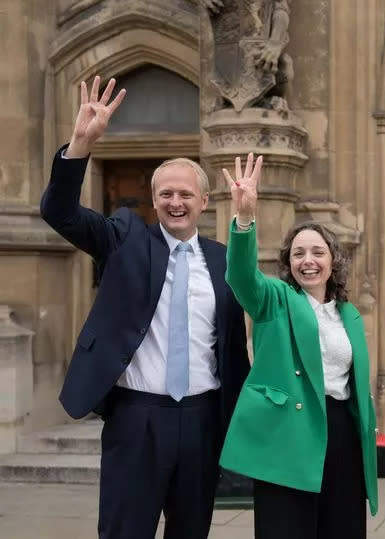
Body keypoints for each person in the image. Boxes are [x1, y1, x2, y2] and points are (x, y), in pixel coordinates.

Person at [39, 76, 250, 539]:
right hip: (137, 416)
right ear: (154, 200)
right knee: (124, 530)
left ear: (204, 202)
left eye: (185, 194)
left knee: (191, 530)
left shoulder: (224, 260)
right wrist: (80, 144)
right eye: (166, 194)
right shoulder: (124, 237)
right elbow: (61, 212)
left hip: (201, 418)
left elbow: (236, 342)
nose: (176, 202)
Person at [218, 153, 378, 538]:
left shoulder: (349, 314)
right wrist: (245, 217)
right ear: (288, 264)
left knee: (341, 528)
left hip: (341, 434)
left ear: (332, 261)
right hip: (289, 434)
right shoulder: (275, 300)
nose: (308, 261)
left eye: (318, 252)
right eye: (299, 254)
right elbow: (241, 276)